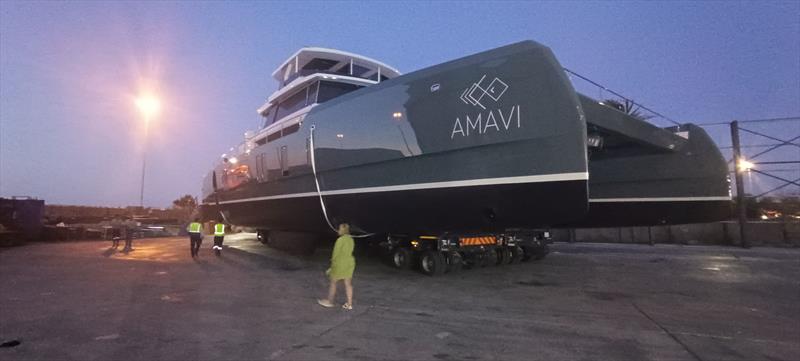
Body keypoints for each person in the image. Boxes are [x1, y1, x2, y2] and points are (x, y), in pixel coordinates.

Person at [317, 223, 356, 310]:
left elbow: (335, 254)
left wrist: (332, 266)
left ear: (342, 230)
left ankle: (329, 301)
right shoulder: (351, 239)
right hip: (349, 263)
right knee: (348, 284)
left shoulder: (340, 240)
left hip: (340, 263)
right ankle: (349, 304)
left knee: (333, 283)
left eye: (339, 229)